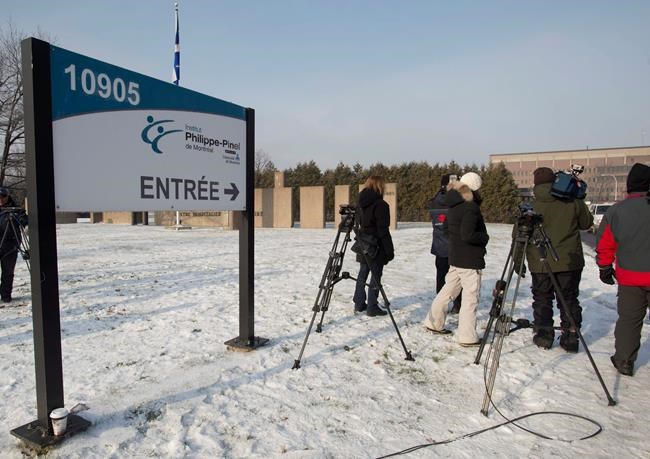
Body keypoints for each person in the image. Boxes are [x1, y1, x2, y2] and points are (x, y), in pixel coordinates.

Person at [516, 167, 593, 352]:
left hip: (540, 262)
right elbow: (586, 223)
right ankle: (571, 336)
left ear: (535, 184)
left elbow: (518, 236)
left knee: (542, 298)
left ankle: (544, 335)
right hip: (569, 260)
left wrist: (518, 261)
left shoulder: (530, 206)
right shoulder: (572, 201)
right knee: (569, 298)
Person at [596, 163, 650, 376]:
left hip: (629, 277)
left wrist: (604, 266)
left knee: (629, 320)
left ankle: (624, 360)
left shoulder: (616, 211)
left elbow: (605, 243)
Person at [423, 172, 488, 346]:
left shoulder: (454, 204)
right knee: (470, 297)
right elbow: (468, 234)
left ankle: (433, 322)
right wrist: (484, 238)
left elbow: (446, 229)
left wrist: (456, 243)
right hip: (469, 259)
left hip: (455, 256)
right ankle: (467, 336)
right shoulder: (470, 207)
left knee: (447, 291)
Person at [353, 176, 395, 317]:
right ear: (380, 186)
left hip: (363, 242)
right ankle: (372, 306)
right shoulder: (381, 205)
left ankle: (359, 303)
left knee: (363, 273)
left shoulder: (360, 202)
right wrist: (389, 250)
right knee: (376, 275)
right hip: (376, 245)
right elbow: (383, 231)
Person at [426, 174, 462, 314]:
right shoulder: (456, 202)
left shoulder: (434, 201)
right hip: (455, 246)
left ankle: (440, 305)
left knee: (441, 276)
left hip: (439, 245)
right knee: (458, 277)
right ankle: (458, 304)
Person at [0, 186, 27, 303]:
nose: (1, 200)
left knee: (8, 272)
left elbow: (25, 220)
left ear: (7, 197)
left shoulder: (15, 210)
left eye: (3, 197)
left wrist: (21, 220)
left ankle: (6, 295)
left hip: (10, 246)